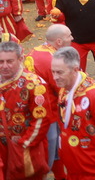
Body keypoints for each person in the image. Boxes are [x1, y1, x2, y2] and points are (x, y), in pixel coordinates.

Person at [51, 46, 95, 180]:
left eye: (59, 72)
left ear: (75, 70)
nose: (55, 77)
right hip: (73, 167)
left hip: (94, 170)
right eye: (53, 72)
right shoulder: (64, 88)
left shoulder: (94, 95)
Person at [24, 24, 73, 178]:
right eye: (69, 36)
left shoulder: (36, 51)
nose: (72, 38)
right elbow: (63, 89)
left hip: (36, 110)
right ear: (59, 41)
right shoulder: (53, 60)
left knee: (54, 150)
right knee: (50, 152)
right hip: (48, 114)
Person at [0, 41, 51, 180]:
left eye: (9, 61)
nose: (4, 66)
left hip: (25, 149)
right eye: (1, 61)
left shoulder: (34, 84)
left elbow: (42, 120)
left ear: (20, 59)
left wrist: (24, 144)